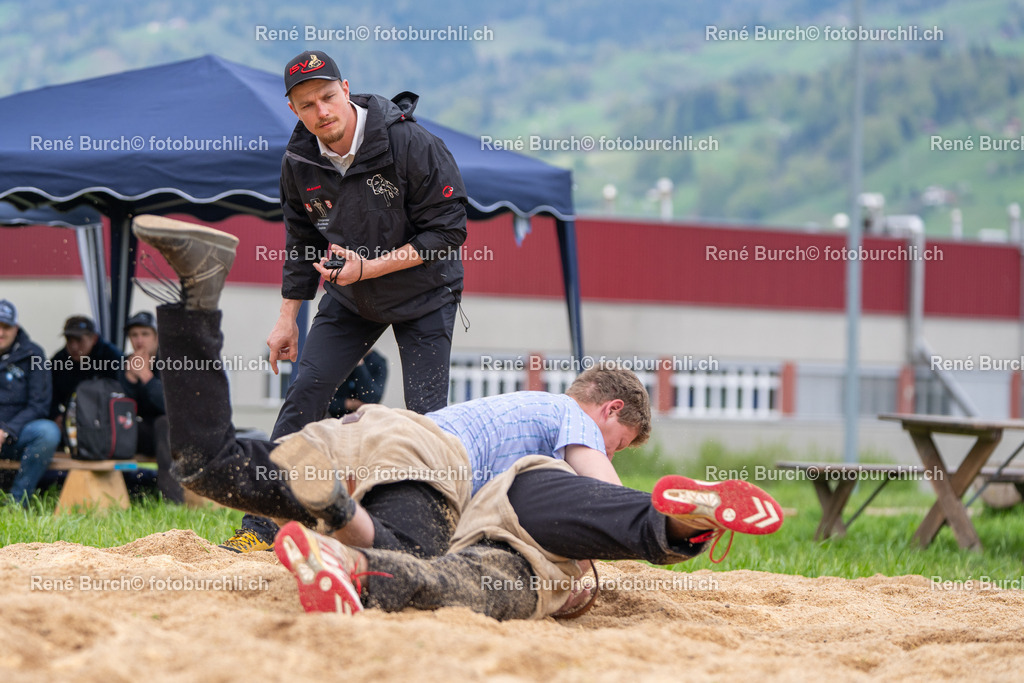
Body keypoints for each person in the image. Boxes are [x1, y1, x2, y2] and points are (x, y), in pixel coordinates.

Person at [131, 215, 783, 620]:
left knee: (207, 463)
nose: (612, 448)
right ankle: (341, 523)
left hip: (356, 437)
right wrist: (644, 515)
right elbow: (599, 490)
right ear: (610, 410)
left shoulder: (517, 416)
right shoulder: (569, 415)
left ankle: (195, 299)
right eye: (621, 440)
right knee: (414, 556)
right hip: (423, 456)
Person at [227, 49, 469, 552]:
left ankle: (439, 536)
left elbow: (449, 230)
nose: (321, 112)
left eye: (327, 97)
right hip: (351, 295)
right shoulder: (299, 161)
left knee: (427, 417)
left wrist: (371, 267)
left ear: (346, 89)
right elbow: (301, 241)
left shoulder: (409, 143)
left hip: (425, 294)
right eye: (307, 104)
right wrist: (286, 318)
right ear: (293, 110)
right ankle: (262, 527)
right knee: (305, 393)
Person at [0, 300, 62, 506]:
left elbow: (39, 405)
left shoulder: (33, 354)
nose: (1, 333)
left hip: (17, 435)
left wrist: (6, 430)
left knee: (48, 432)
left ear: (16, 328)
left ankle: (17, 502)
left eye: (6, 327)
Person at [120, 311, 182, 504]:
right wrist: (130, 380)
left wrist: (146, 376)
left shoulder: (173, 361)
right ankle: (119, 494)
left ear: (156, 337)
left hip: (175, 434)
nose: (139, 341)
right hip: (142, 432)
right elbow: (120, 409)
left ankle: (172, 501)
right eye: (134, 335)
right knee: (119, 426)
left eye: (145, 334)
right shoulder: (126, 363)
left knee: (164, 423)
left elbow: (171, 408)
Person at [49, 315, 123, 430]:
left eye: (79, 340)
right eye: (69, 340)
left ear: (94, 339)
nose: (74, 346)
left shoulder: (112, 358)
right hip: (71, 420)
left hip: (107, 421)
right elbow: (48, 394)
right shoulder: (59, 361)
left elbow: (123, 394)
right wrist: (56, 415)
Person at [326, 348, 387, 419]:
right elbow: (323, 401)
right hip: (333, 417)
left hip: (364, 417)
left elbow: (372, 399)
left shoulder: (378, 362)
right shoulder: (336, 358)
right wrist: (350, 404)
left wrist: (359, 363)